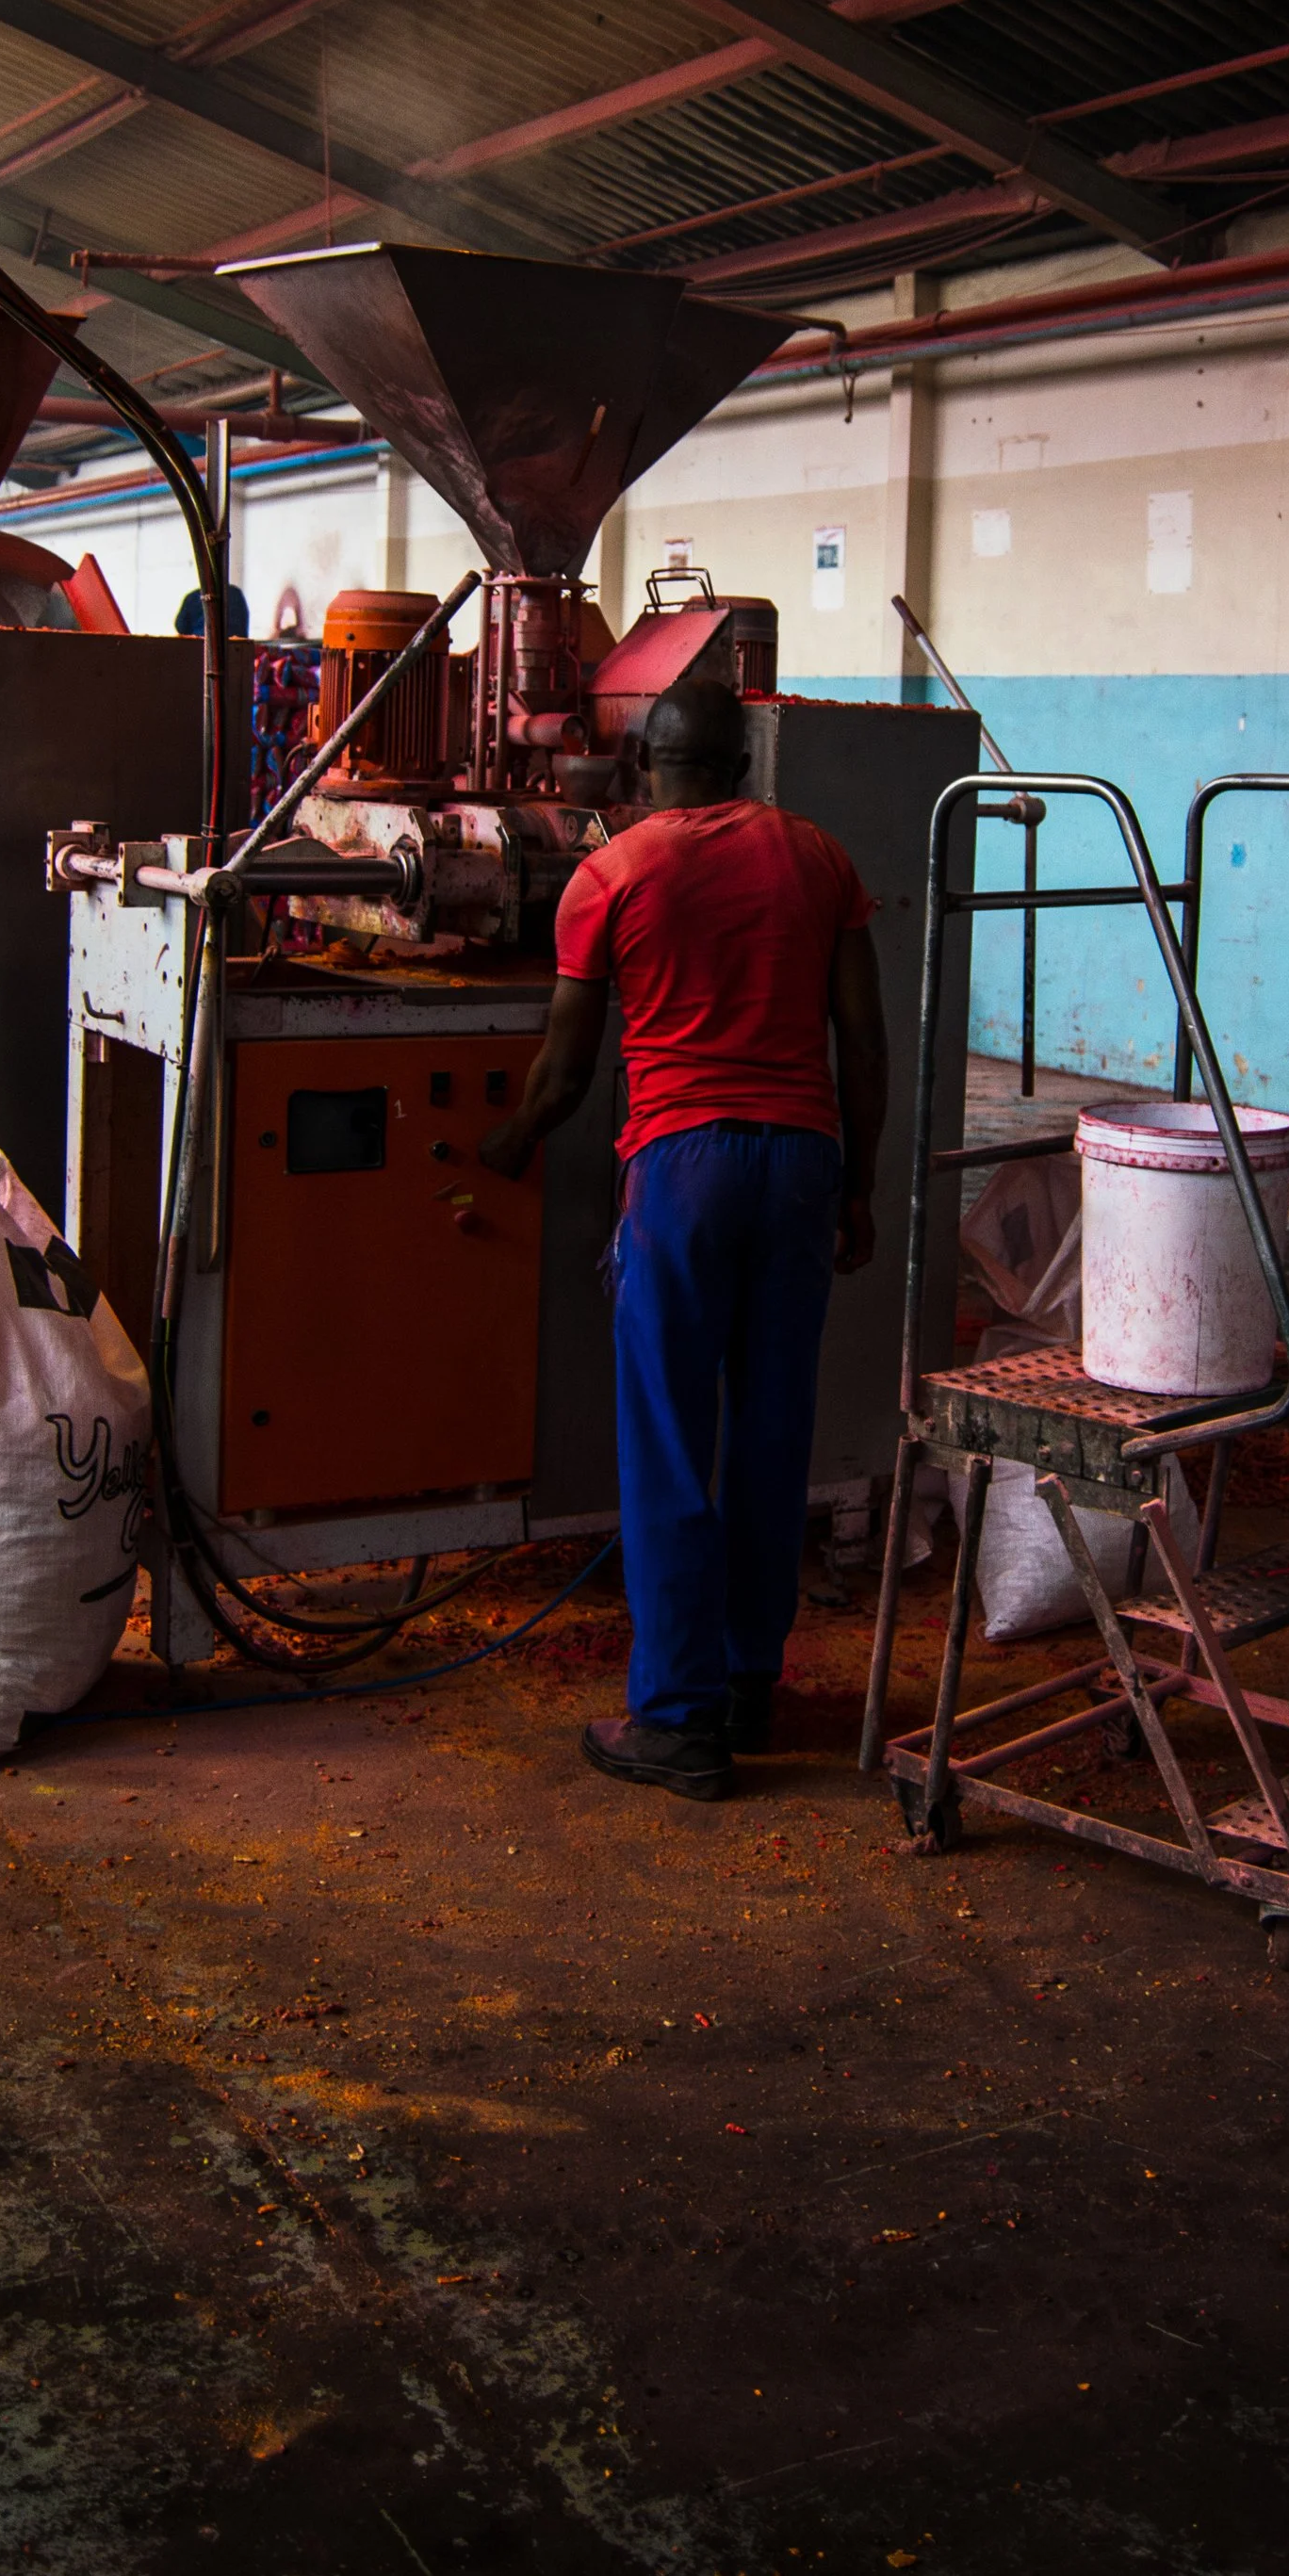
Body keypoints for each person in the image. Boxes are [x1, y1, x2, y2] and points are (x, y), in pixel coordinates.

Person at [479, 677, 887, 1802]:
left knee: (666, 1443)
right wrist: (859, 1187)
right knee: (770, 1437)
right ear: (744, 768)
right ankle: (749, 1684)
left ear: (643, 771)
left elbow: (563, 1075)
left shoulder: (610, 872)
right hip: (801, 1163)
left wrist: (503, 1143)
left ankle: (676, 1720)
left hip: (682, 1169)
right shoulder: (817, 855)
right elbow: (864, 1040)